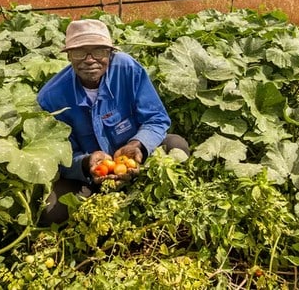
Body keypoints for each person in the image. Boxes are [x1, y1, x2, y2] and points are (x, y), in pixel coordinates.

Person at [37, 19, 189, 225]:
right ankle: (101, 207)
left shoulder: (127, 69)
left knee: (176, 146)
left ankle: (154, 199)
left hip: (137, 163)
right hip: (90, 176)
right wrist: (86, 164)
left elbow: (156, 118)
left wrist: (138, 146)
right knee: (50, 210)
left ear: (110, 53)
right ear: (69, 56)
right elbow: (58, 156)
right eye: (80, 52)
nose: (90, 60)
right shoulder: (51, 97)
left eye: (99, 51)